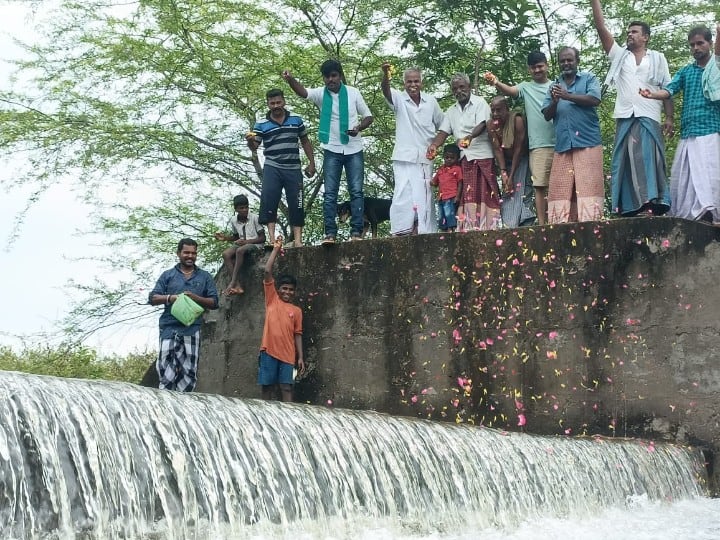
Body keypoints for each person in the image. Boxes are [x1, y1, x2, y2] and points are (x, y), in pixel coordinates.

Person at [591, 0, 673, 217]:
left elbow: (667, 89)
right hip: (626, 116)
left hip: (650, 116)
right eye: (628, 32)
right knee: (626, 161)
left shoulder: (658, 58)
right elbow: (601, 28)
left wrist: (670, 118)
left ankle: (652, 204)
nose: (629, 34)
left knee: (648, 160)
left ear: (645, 37)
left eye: (634, 32)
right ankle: (629, 207)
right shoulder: (620, 56)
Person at [282, 60, 374, 244]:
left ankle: (356, 233)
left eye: (334, 75)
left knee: (356, 191)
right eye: (327, 77)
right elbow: (303, 92)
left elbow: (368, 116)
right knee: (330, 193)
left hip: (354, 148)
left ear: (340, 75)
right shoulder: (320, 94)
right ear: (323, 78)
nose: (330, 79)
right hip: (331, 148)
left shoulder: (353, 93)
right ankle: (330, 234)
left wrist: (358, 128)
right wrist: (290, 79)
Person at [641, 25, 720, 223]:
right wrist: (652, 95)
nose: (696, 48)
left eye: (700, 43)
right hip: (689, 132)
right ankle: (698, 217)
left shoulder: (716, 67)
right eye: (692, 45)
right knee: (688, 178)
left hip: (711, 130)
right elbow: (670, 89)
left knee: (710, 176)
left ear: (710, 44)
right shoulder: (686, 71)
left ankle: (712, 214)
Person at [485, 51, 556, 224]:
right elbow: (510, 91)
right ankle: (542, 224)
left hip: (560, 142)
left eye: (540, 66)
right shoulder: (526, 87)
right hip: (538, 144)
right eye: (533, 68)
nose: (537, 70)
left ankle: (558, 220)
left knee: (559, 184)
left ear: (546, 65)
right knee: (539, 185)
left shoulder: (556, 85)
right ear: (529, 70)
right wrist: (496, 82)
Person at [428, 73, 499, 230]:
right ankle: (469, 228)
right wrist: (434, 145)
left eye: (462, 87)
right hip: (464, 159)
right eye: (455, 89)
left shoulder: (480, 103)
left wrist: (470, 136)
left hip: (482, 156)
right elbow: (443, 132)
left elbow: (482, 124)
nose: (459, 91)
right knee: (467, 196)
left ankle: (488, 228)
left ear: (469, 87)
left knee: (485, 193)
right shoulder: (451, 111)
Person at [541, 47, 605, 223]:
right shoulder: (554, 86)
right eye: (562, 61)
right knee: (560, 188)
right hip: (563, 145)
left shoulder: (589, 79)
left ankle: (593, 228)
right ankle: (562, 230)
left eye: (569, 60)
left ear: (577, 60)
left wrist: (567, 96)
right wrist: (555, 101)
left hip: (588, 142)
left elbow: (594, 99)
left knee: (588, 187)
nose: (566, 64)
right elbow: (547, 115)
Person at [247, 89, 316, 247]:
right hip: (273, 166)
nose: (276, 106)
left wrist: (312, 163)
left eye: (278, 102)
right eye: (272, 103)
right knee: (269, 199)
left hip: (293, 167)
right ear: (268, 104)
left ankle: (298, 240)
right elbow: (254, 147)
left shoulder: (296, 120)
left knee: (297, 202)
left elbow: (305, 141)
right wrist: (250, 141)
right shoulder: (261, 124)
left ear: (284, 102)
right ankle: (272, 239)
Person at [148, 238, 219, 392]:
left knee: (189, 373)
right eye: (186, 252)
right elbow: (152, 298)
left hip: (192, 329)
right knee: (166, 372)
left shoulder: (204, 277)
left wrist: (195, 298)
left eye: (194, 253)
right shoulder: (168, 275)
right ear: (178, 253)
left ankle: (186, 408)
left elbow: (214, 302)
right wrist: (171, 298)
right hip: (169, 329)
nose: (190, 256)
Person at [381, 64, 445, 235]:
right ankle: (401, 232)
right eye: (409, 81)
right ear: (404, 84)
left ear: (421, 83)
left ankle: (425, 233)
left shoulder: (431, 101)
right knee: (401, 194)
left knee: (424, 196)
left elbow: (444, 126)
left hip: (424, 158)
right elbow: (385, 91)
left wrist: (435, 145)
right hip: (403, 156)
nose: (413, 85)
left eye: (416, 81)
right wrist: (385, 75)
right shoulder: (399, 99)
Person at [259, 236, 305, 402]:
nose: (287, 292)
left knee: (287, 387)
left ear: (295, 292)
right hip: (269, 351)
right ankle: (264, 417)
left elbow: (297, 334)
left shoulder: (297, 311)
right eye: (284, 288)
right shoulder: (272, 300)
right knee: (267, 387)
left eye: (291, 290)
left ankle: (290, 420)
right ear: (277, 289)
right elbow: (266, 271)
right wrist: (276, 249)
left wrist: (300, 357)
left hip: (288, 354)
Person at [488, 96, 536, 228]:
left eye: (499, 110)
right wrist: (504, 174)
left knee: (524, 191)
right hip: (505, 163)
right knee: (508, 193)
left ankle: (526, 223)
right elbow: (497, 149)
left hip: (521, 160)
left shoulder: (517, 120)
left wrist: (512, 176)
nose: (496, 114)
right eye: (493, 110)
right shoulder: (490, 124)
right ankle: (510, 225)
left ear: (507, 109)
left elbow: (518, 149)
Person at [214, 194, 266, 296]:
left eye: (246, 207)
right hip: (242, 244)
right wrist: (225, 238)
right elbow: (236, 236)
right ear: (236, 209)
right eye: (241, 208)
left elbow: (262, 238)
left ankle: (232, 282)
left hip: (255, 245)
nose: (245, 210)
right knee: (226, 254)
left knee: (240, 251)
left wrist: (246, 242)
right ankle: (237, 285)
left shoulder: (255, 218)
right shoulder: (233, 220)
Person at [430, 144, 463, 232]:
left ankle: (451, 230)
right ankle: (444, 231)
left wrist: (458, 196)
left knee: (450, 215)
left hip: (451, 196)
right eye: (447, 157)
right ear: (444, 156)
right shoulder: (440, 170)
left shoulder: (457, 169)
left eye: (452, 158)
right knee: (441, 215)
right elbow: (434, 182)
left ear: (457, 158)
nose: (449, 159)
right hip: (441, 197)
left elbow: (460, 183)